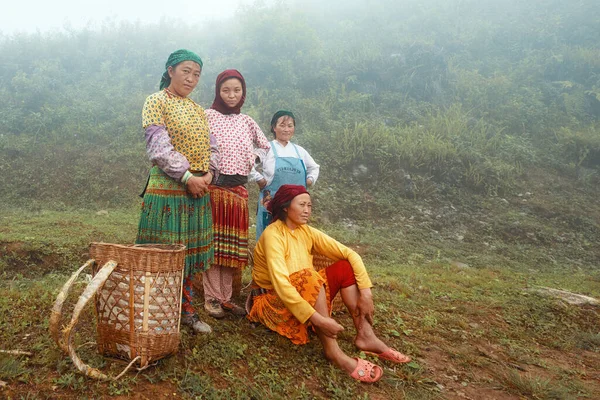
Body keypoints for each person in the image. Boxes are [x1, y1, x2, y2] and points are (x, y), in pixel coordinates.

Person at [247, 185, 411, 383]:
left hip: (306, 293)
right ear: (285, 207)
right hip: (273, 302)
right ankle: (333, 352)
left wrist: (366, 293)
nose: (307, 210)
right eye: (302, 205)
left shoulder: (306, 232)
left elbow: (351, 254)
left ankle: (366, 335)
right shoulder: (273, 235)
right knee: (310, 276)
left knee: (344, 267)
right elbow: (282, 285)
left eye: (310, 205)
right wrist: (317, 319)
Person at [136, 49, 218, 334]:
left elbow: (213, 147)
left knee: (188, 255)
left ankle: (186, 311)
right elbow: (158, 147)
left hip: (197, 190)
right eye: (186, 71)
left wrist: (208, 174)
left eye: (196, 73)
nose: (191, 78)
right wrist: (186, 176)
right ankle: (154, 310)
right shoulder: (155, 101)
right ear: (170, 70)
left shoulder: (198, 110)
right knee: (163, 254)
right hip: (168, 189)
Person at [203, 69, 270, 319]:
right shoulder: (207, 116)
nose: (231, 95)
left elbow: (265, 146)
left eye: (237, 90)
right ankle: (211, 299)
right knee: (214, 245)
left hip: (239, 192)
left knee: (232, 247)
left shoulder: (247, 121)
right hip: (214, 190)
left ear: (243, 92)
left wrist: (254, 157)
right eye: (226, 90)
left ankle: (226, 298)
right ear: (218, 92)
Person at [250, 110, 320, 240]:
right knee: (269, 238)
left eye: (290, 125)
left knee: (294, 238)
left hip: (295, 206)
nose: (286, 129)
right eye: (282, 125)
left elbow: (314, 167)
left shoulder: (300, 151)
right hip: (271, 203)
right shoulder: (266, 148)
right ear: (273, 127)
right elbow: (248, 164)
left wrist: (309, 180)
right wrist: (259, 179)